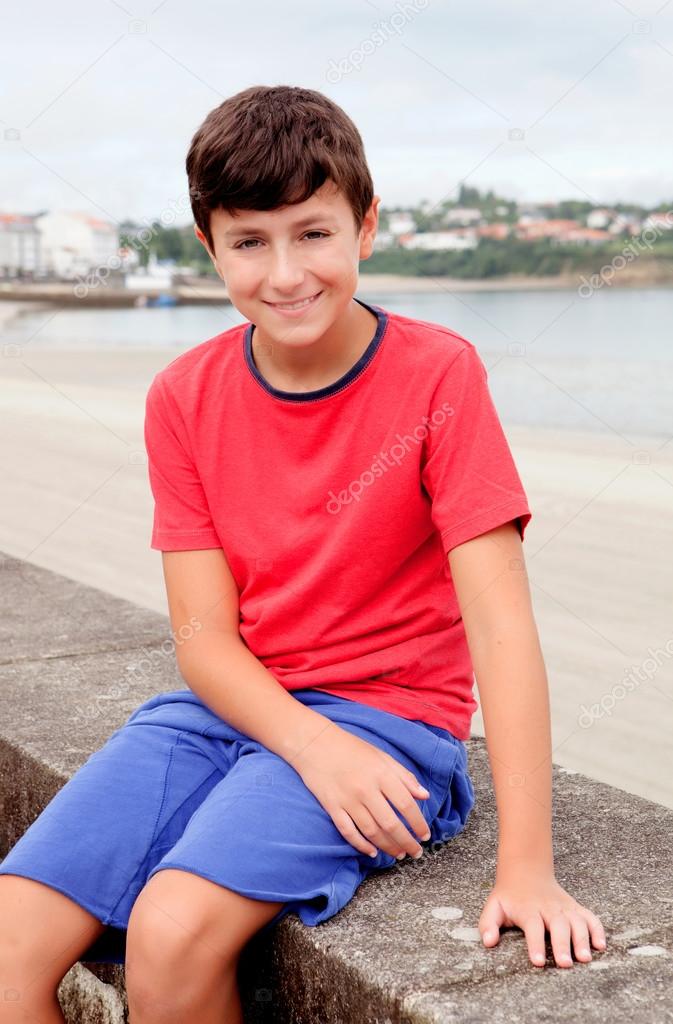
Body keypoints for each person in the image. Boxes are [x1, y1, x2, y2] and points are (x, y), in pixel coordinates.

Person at [0, 84, 606, 1023]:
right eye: (249, 241)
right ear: (210, 248)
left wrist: (527, 868)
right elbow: (204, 642)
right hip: (232, 711)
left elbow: (501, 629)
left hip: (389, 723)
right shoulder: (183, 396)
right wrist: (307, 744)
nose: (285, 273)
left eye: (312, 233)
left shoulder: (439, 375)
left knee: (172, 932)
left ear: (364, 227)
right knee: (8, 944)